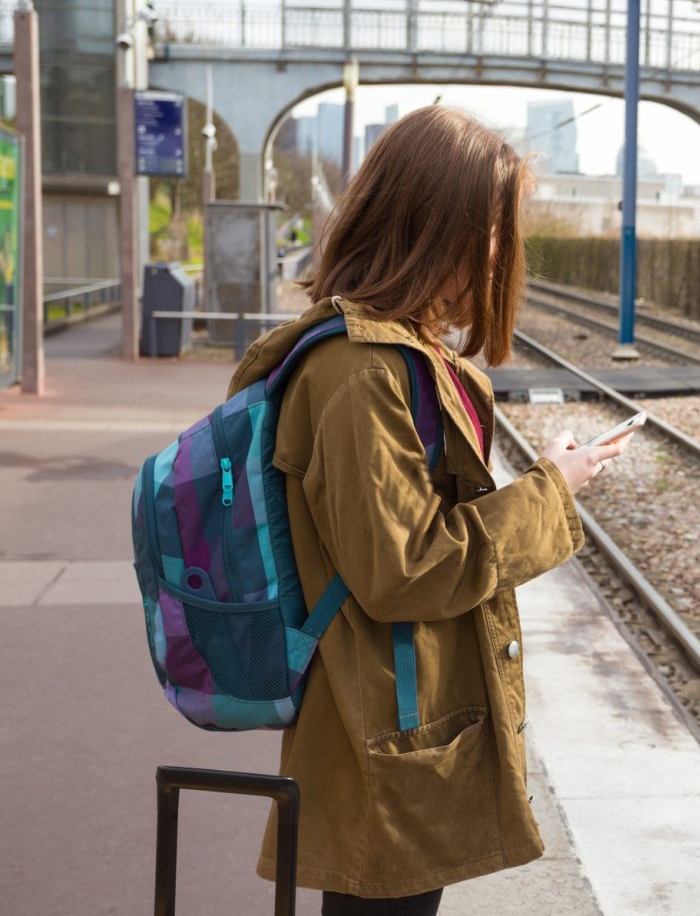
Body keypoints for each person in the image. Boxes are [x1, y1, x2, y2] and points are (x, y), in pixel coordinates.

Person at [226, 105, 631, 915]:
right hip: (378, 726)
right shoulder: (359, 372)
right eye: (492, 229)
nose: (499, 251)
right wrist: (551, 488)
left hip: (389, 712)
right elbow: (404, 568)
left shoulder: (392, 355)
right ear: (437, 227)